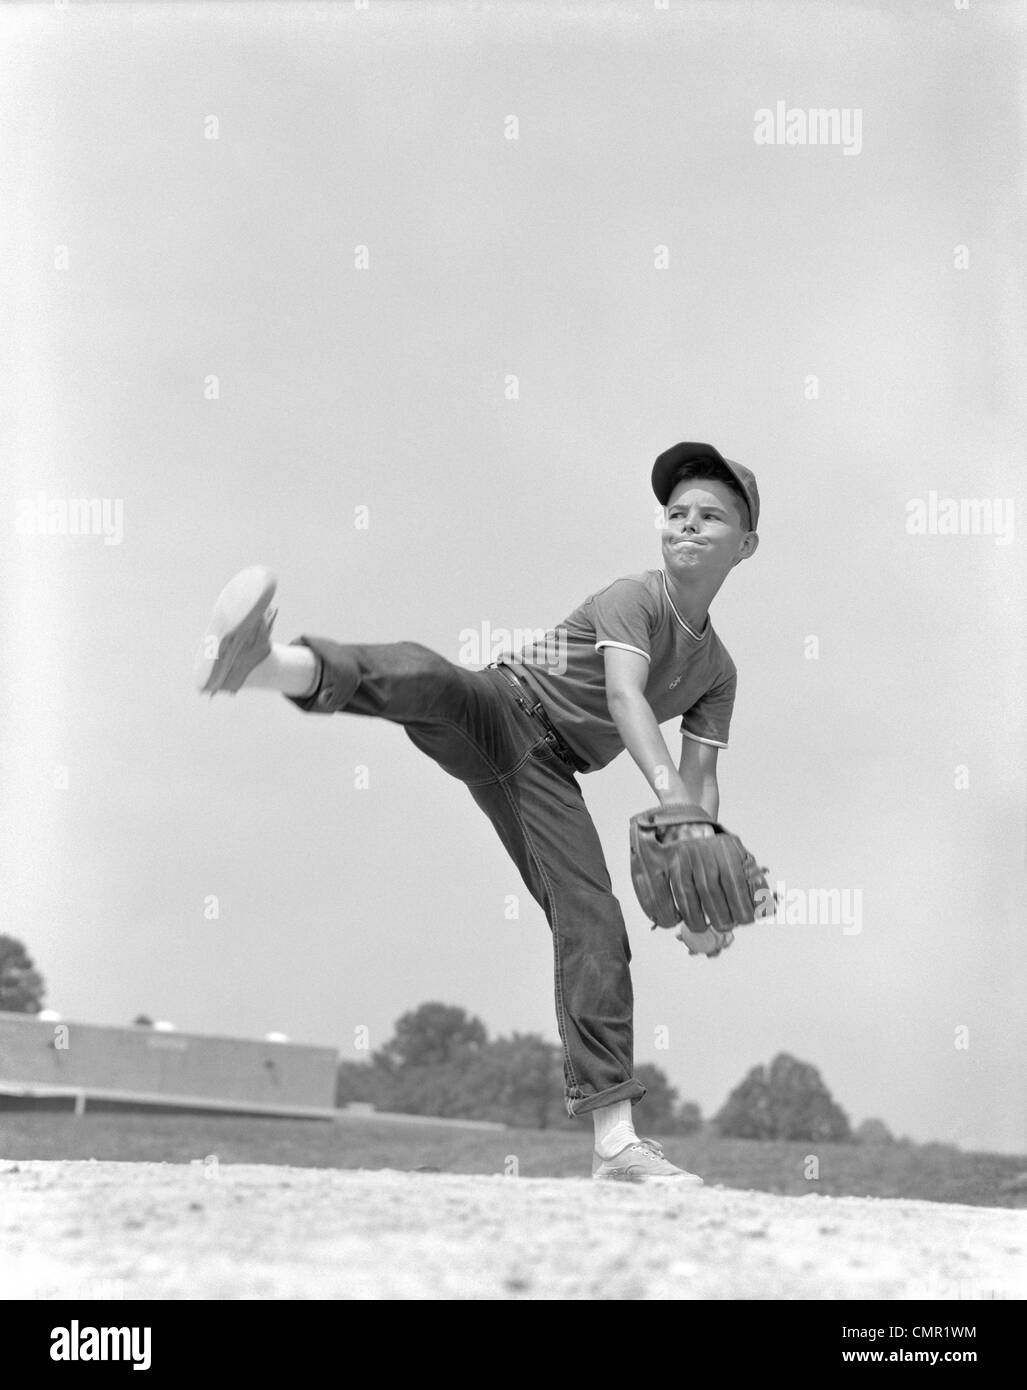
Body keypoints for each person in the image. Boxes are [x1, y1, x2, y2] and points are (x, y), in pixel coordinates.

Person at [195, 441, 760, 1182]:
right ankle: (265, 665)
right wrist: (674, 806)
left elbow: (701, 778)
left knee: (591, 919)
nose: (686, 524)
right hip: (500, 708)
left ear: (743, 546)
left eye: (709, 517)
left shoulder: (716, 671)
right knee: (429, 676)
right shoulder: (635, 598)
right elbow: (625, 699)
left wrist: (700, 895)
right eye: (676, 512)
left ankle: (615, 1144)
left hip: (547, 775)